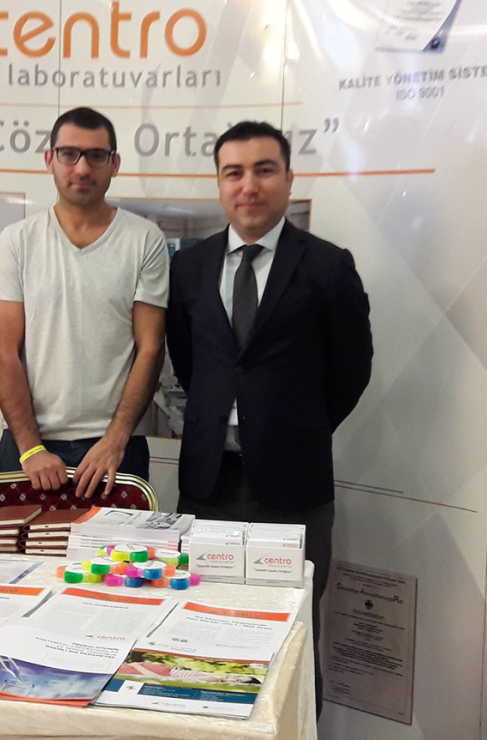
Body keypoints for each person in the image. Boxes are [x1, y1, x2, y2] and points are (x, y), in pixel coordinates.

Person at [166, 120, 373, 711]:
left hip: (294, 488)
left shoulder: (328, 265)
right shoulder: (190, 267)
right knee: (203, 637)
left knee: (293, 642)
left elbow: (352, 370)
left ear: (287, 178)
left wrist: (292, 429)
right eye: (233, 172)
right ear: (219, 183)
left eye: (263, 170)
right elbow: (191, 363)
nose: (248, 185)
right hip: (208, 486)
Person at [0, 107, 169, 498]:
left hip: (115, 450)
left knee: (116, 543)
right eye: (69, 154)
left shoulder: (144, 240)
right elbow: (4, 352)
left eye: (96, 155)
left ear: (115, 164)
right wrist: (30, 448)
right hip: (28, 447)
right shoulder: (17, 241)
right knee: (19, 542)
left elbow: (151, 347)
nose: (82, 168)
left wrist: (116, 439)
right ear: (49, 160)